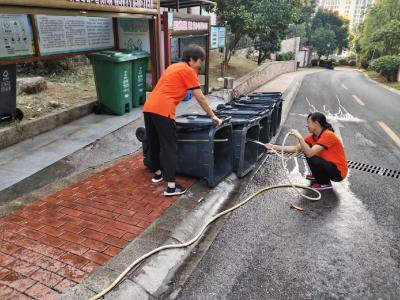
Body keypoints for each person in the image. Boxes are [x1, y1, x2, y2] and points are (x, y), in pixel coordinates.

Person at [143, 44, 222, 197]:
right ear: (191, 59)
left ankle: (158, 174)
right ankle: (171, 187)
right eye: (200, 61)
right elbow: (200, 97)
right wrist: (212, 115)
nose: (200, 64)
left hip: (149, 107)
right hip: (163, 110)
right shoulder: (188, 70)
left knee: (155, 142)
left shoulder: (174, 67)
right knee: (169, 147)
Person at [265, 112, 348, 190]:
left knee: (310, 154)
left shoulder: (328, 135)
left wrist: (300, 138)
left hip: (338, 172)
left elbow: (310, 153)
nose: (307, 125)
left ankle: (325, 183)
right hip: (329, 167)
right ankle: (318, 175)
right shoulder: (313, 137)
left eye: (309, 122)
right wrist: (273, 147)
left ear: (316, 123)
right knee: (307, 150)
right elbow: (295, 149)